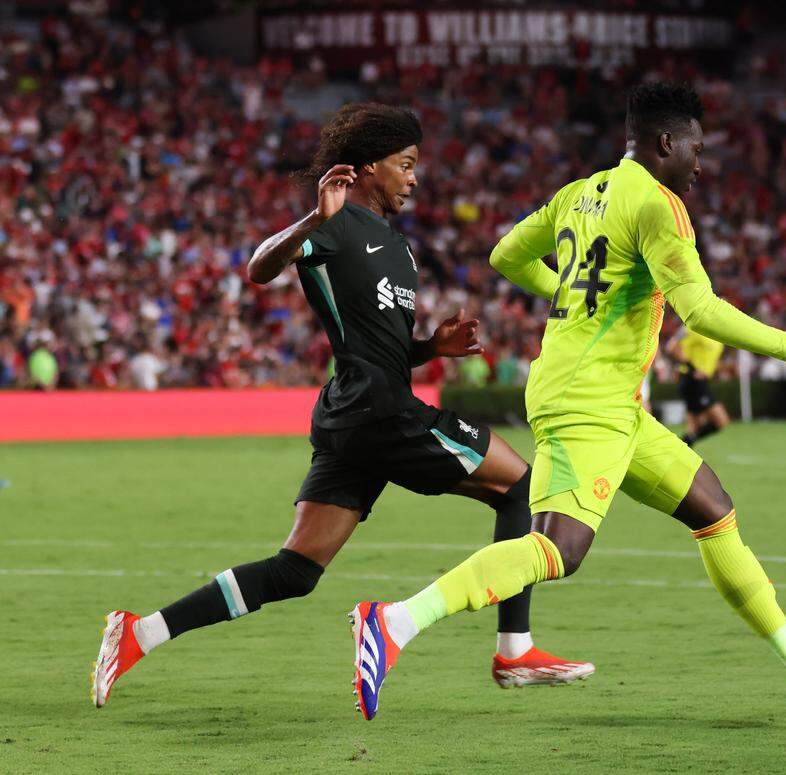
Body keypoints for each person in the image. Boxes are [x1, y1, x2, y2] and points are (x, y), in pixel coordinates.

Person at [348, 84, 786, 721]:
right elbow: (699, 311)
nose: (700, 165)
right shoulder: (659, 205)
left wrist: (571, 298)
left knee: (713, 509)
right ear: (665, 143)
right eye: (696, 150)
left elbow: (505, 254)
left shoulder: (581, 192)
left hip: (611, 401)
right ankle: (395, 621)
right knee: (557, 551)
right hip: (586, 401)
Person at [91, 103, 592, 710]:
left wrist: (433, 347)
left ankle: (138, 635)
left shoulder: (397, 246)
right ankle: (514, 648)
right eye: (405, 166)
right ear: (369, 167)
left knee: (294, 572)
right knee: (522, 488)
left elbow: (377, 347)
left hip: (357, 412)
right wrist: (311, 219)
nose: (413, 179)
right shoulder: (335, 224)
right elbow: (258, 268)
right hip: (381, 412)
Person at [667, 327, 730, 446]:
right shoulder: (694, 328)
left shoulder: (718, 334)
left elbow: (710, 359)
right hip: (692, 380)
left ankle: (681, 448)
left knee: (695, 428)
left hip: (702, 382)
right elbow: (672, 347)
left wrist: (723, 369)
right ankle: (680, 447)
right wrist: (691, 369)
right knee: (721, 420)